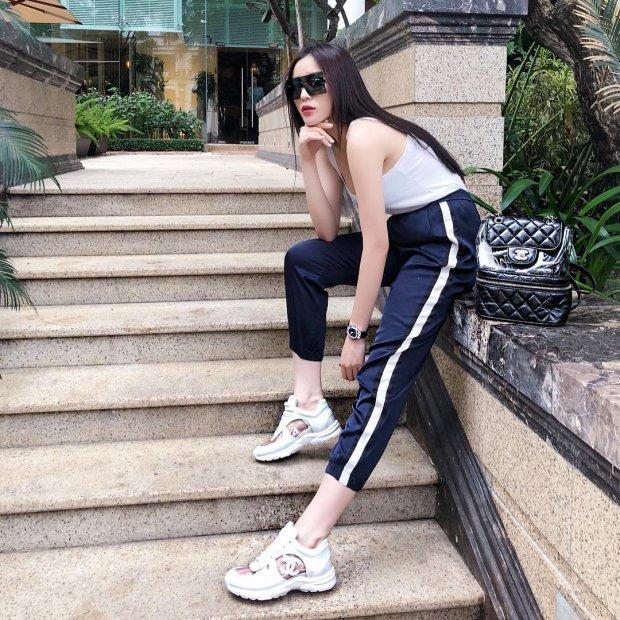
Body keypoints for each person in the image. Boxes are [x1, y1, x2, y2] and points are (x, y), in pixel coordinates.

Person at [224, 40, 481, 601]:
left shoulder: (362, 134)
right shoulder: (335, 143)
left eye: (315, 83)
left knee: (382, 375)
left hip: (441, 237)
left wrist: (357, 333)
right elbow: (324, 233)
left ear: (341, 82)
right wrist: (309, 157)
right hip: (405, 237)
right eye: (295, 87)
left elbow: (375, 246)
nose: (304, 95)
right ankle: (309, 403)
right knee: (303, 261)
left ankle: (309, 543)